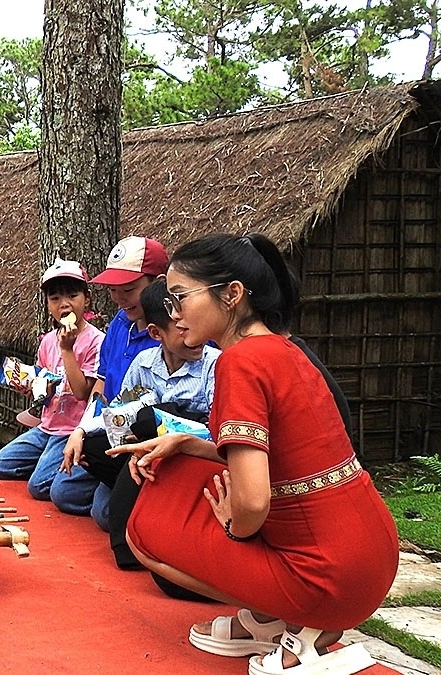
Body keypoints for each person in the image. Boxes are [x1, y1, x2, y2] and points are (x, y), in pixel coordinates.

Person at [108, 234, 398, 675]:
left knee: (142, 531)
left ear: (232, 295)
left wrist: (234, 525)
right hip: (373, 558)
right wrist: (189, 443)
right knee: (181, 465)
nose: (172, 312)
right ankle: (271, 620)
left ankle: (303, 621)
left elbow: (253, 502)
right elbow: (286, 457)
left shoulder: (237, 362)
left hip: (327, 580)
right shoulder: (287, 350)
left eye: (180, 297)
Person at [63, 279, 219, 534]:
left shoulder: (214, 365)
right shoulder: (143, 362)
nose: (195, 334)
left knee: (110, 514)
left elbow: (215, 431)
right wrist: (80, 431)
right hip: (143, 456)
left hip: (190, 460)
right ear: (157, 333)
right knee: (91, 460)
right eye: (182, 328)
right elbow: (118, 409)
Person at [48, 236, 167, 518]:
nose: (118, 298)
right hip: (107, 432)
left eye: (128, 289)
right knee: (62, 492)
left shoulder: (171, 336)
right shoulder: (119, 324)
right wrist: (82, 428)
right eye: (114, 290)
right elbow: (100, 385)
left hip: (142, 438)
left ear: (159, 284)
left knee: (104, 513)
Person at [0, 258, 104, 501]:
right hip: (47, 427)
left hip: (72, 430)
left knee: (38, 487)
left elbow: (83, 392)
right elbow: (44, 384)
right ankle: (49, 463)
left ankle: (73, 469)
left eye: (72, 296)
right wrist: (32, 388)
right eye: (55, 299)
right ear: (48, 305)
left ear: (87, 299)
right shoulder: (48, 341)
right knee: (0, 465)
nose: (64, 304)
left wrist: (68, 350)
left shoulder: (96, 341)